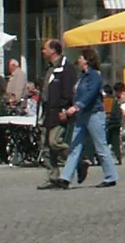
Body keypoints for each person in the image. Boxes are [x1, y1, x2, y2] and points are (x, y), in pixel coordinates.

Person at [43, 48, 117, 189]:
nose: (78, 60)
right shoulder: (82, 76)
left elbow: (90, 94)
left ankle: (110, 176)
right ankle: (66, 178)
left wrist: (76, 107)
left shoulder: (95, 75)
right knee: (75, 146)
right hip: (82, 115)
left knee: (100, 146)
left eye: (81, 58)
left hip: (94, 114)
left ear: (87, 60)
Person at [39, 39, 76, 174]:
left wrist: (64, 110)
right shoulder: (49, 68)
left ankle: (77, 159)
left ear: (53, 51)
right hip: (47, 111)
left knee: (54, 142)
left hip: (59, 111)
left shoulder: (66, 68)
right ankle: (53, 176)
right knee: (46, 147)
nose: (42, 52)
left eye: (45, 49)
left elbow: (68, 91)